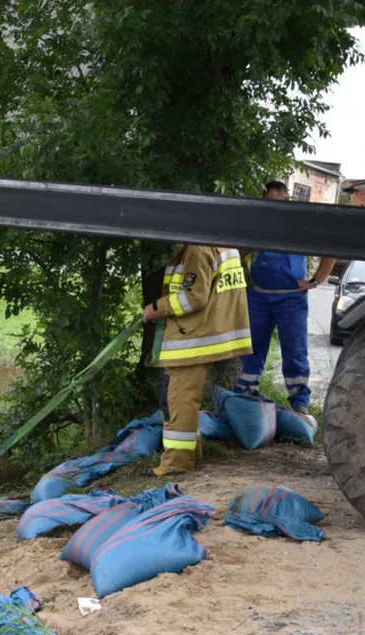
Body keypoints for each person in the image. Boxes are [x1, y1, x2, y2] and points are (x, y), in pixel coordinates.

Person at [142, 244, 251, 476]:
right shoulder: (219, 241)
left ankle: (176, 462)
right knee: (182, 400)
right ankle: (192, 453)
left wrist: (156, 308)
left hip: (192, 338)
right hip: (206, 333)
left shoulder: (197, 249)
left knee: (177, 401)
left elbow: (194, 297)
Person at [235, 181, 336, 415]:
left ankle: (299, 404)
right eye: (266, 203)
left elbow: (330, 249)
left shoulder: (300, 227)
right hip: (258, 297)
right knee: (251, 349)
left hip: (290, 299)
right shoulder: (261, 225)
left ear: (287, 200)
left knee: (294, 351)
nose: (270, 207)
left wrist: (314, 282)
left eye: (274, 202)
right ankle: (244, 398)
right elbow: (240, 250)